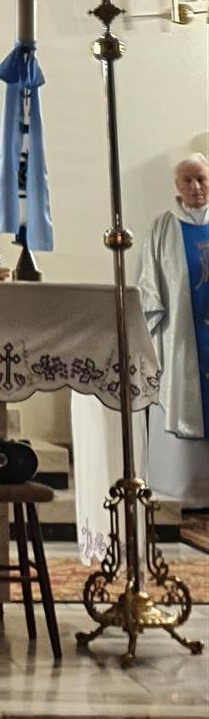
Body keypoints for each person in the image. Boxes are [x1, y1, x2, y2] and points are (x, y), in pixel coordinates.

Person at [139, 155, 209, 508]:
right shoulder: (163, 227)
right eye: (187, 180)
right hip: (181, 338)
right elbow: (149, 285)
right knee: (184, 396)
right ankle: (184, 491)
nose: (196, 187)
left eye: (201, 179)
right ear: (176, 186)